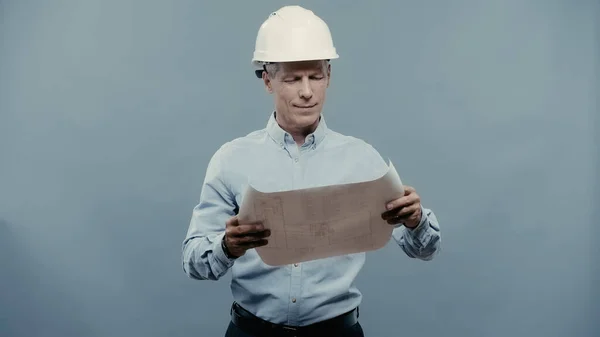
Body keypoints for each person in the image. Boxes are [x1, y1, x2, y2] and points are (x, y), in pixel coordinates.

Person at [182, 5, 441, 337]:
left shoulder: (362, 160)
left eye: (315, 76)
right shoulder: (231, 160)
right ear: (268, 81)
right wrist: (226, 246)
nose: (307, 91)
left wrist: (416, 220)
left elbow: (425, 248)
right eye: (292, 79)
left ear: (328, 77)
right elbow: (192, 260)